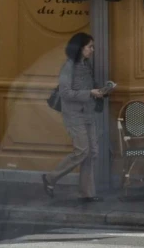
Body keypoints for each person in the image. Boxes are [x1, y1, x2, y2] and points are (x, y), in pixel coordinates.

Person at [42, 33, 105, 202]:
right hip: (74, 115)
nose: (92, 50)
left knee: (91, 152)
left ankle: (87, 193)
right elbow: (65, 93)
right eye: (89, 46)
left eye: (92, 46)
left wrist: (100, 91)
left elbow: (89, 87)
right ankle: (50, 178)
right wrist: (89, 93)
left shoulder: (86, 65)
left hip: (88, 113)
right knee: (82, 151)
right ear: (79, 48)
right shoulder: (68, 66)